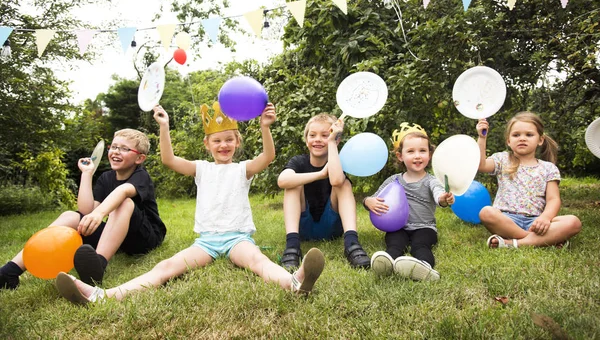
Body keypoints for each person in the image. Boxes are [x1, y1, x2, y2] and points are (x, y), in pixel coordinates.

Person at [55, 101, 325, 304]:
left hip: (237, 239)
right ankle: (103, 295)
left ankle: (295, 281)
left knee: (258, 261)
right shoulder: (201, 168)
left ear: (237, 142)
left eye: (229, 140)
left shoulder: (242, 168)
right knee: (166, 267)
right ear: (207, 144)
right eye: (217, 141)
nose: (223, 145)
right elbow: (169, 160)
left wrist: (265, 128)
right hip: (206, 242)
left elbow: (267, 157)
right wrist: (163, 126)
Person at [0, 129, 166, 290]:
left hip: (144, 238)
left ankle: (98, 266)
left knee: (124, 202)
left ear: (139, 158)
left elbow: (122, 192)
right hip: (117, 237)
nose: (116, 151)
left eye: (124, 149)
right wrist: (87, 174)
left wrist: (99, 214)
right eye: (114, 147)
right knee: (70, 216)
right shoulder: (106, 177)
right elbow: (86, 210)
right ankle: (10, 271)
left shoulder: (141, 175)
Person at [277, 113, 370, 270]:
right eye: (312, 135)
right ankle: (292, 246)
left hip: (332, 226)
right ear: (307, 141)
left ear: (336, 139)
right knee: (292, 185)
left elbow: (336, 181)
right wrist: (320, 175)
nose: (318, 139)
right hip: (303, 227)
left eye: (325, 135)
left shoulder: (338, 163)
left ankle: (352, 244)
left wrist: (332, 143)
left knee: (343, 184)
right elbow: (282, 181)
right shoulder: (298, 161)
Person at [476, 112, 582, 249]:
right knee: (486, 212)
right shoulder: (502, 160)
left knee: (573, 222)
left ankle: (514, 243)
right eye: (516, 135)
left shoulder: (548, 168)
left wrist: (545, 218)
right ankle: (543, 241)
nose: (522, 138)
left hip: (536, 221)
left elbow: (553, 199)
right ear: (508, 141)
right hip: (507, 220)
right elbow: (481, 165)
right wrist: (481, 137)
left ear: (540, 140)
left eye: (529, 135)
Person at [364, 123, 454, 281]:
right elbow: (374, 197)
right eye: (411, 151)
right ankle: (387, 263)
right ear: (400, 156)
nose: (417, 156)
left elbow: (438, 195)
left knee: (420, 245)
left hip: (424, 227)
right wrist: (367, 201)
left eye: (422, 151)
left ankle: (425, 267)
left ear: (430, 154)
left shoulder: (431, 181)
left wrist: (444, 199)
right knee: (395, 244)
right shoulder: (394, 181)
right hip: (398, 227)